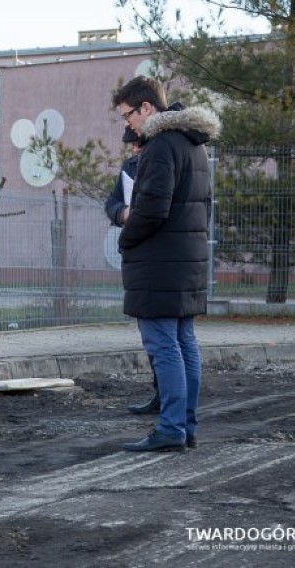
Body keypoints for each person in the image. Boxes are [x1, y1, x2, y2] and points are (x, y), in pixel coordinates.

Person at [111, 76, 220, 452]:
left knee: (164, 346)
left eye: (127, 116)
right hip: (186, 261)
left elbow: (151, 209)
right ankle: (185, 426)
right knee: (185, 342)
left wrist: (124, 240)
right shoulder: (194, 145)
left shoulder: (159, 147)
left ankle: (171, 427)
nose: (127, 125)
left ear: (146, 108)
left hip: (159, 262)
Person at [105, 126, 160, 416]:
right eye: (131, 146)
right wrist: (122, 214)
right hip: (137, 255)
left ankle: (171, 401)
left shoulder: (160, 163)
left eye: (138, 145)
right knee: (150, 334)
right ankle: (160, 394)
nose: (134, 150)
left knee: (164, 337)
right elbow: (112, 202)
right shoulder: (129, 167)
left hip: (154, 256)